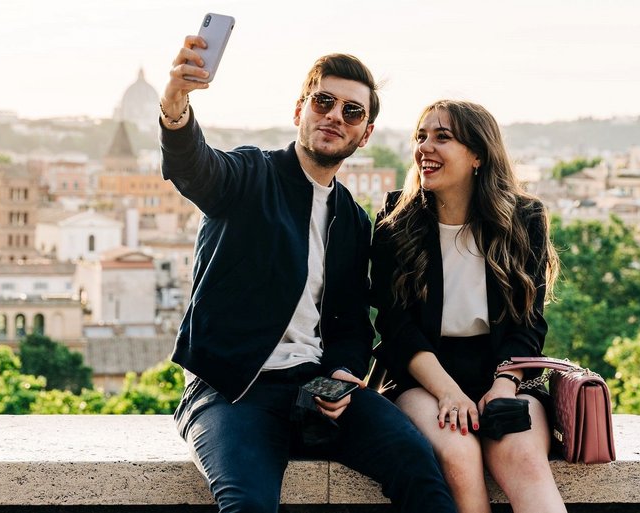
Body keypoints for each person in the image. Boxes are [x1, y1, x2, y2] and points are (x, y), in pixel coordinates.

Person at [159, 35, 457, 513]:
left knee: (423, 474)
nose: (335, 116)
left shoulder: (352, 220)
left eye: (352, 112)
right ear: (300, 110)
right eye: (323, 102)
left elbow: (350, 323)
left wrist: (342, 374)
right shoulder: (251, 175)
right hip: (233, 390)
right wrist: (176, 105)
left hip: (316, 389)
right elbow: (197, 169)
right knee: (248, 505)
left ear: (365, 134)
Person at [370, 99, 566, 513]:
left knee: (523, 457)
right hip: (423, 375)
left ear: (478, 154)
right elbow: (396, 327)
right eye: (421, 136)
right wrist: (449, 393)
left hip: (504, 371)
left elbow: (528, 323)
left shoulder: (523, 218)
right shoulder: (395, 219)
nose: (425, 147)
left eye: (442, 137)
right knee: (458, 456)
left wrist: (504, 385)